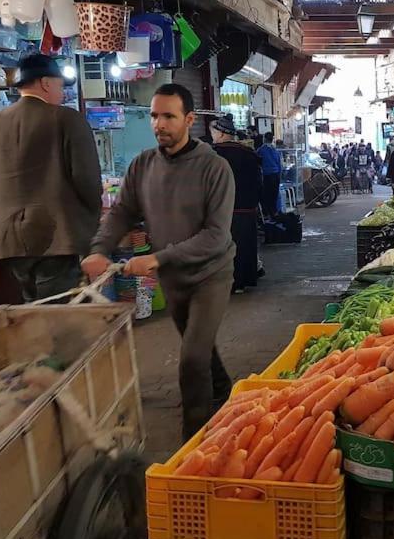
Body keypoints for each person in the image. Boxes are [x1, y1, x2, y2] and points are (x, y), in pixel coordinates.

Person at [83, 83, 235, 438]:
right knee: (200, 350)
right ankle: (225, 391)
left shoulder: (215, 168)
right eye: (154, 115)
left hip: (210, 276)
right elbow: (121, 213)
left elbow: (216, 236)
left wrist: (157, 258)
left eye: (169, 116)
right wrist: (99, 248)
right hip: (172, 278)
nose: (159, 124)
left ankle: (194, 443)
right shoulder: (142, 166)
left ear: (190, 119)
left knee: (191, 358)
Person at [0, 53, 101, 302]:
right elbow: (87, 181)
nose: (61, 94)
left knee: (34, 309)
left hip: (9, 241)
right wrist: (92, 230)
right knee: (58, 319)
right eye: (60, 86)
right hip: (58, 239)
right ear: (45, 83)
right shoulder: (66, 119)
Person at [205, 116, 261, 294]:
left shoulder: (212, 155)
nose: (212, 136)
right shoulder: (249, 153)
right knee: (245, 245)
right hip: (247, 209)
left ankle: (228, 284)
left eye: (213, 132)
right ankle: (244, 281)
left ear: (221, 134)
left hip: (223, 210)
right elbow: (259, 181)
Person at [257, 131, 283, 218]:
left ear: (264, 139)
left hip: (267, 176)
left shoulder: (261, 150)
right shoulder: (274, 150)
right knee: (274, 195)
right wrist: (279, 175)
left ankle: (268, 214)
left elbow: (257, 162)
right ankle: (274, 213)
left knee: (266, 196)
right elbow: (279, 164)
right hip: (276, 175)